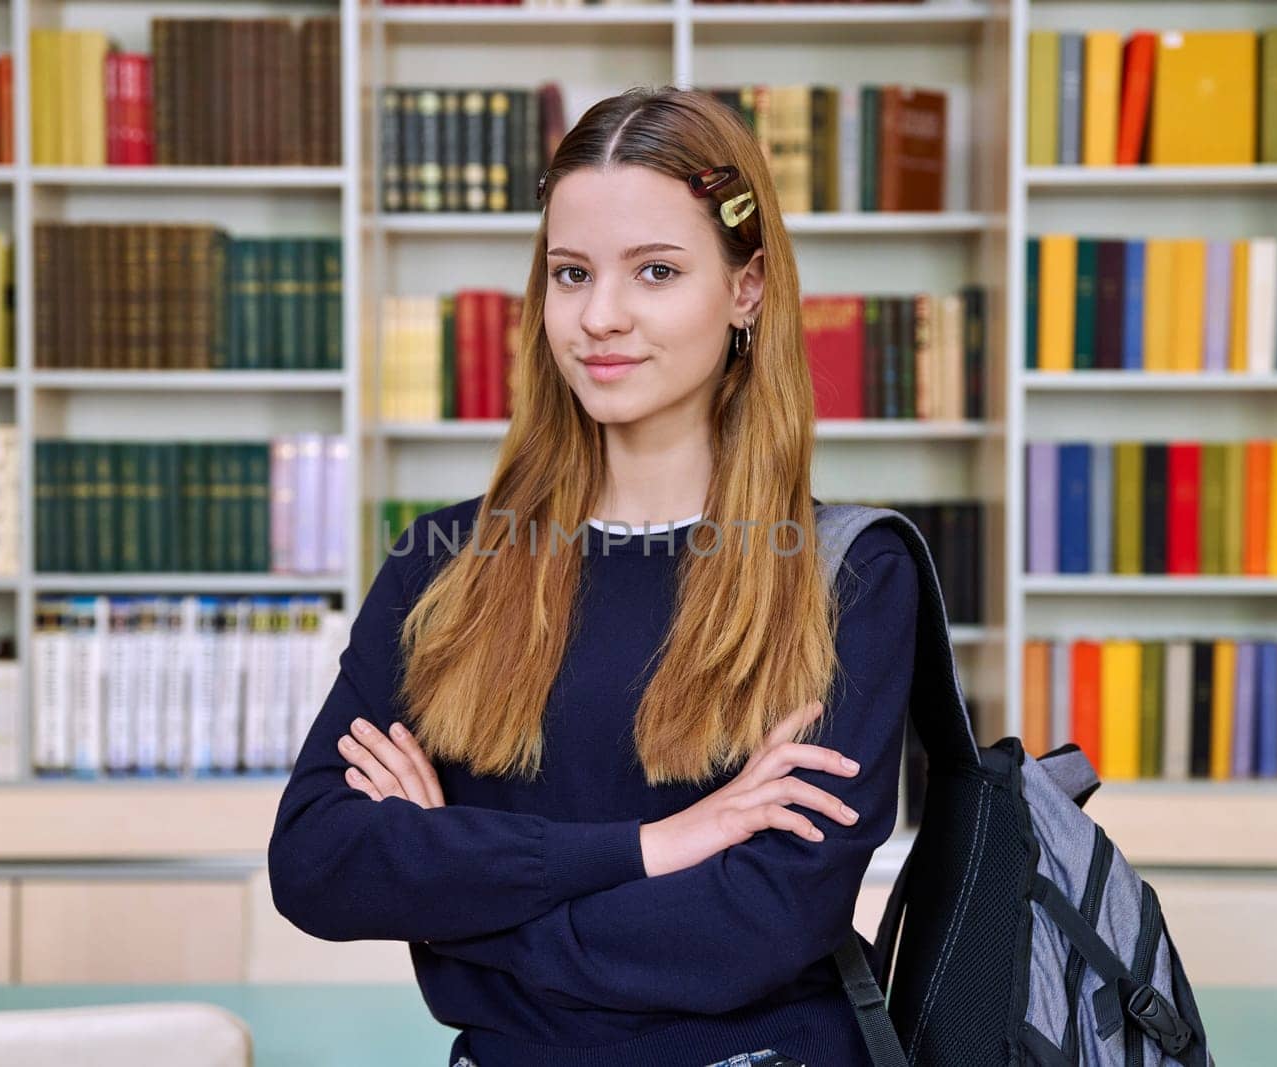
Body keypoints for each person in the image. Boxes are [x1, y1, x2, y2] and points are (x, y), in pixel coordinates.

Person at [267, 84, 919, 1067]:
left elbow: (755, 927)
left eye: (654, 271)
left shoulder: (848, 577)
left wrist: (455, 910)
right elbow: (316, 862)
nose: (599, 316)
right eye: (570, 273)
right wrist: (650, 847)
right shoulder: (443, 563)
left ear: (745, 289)